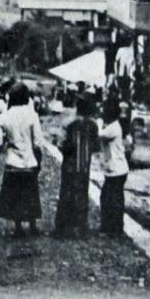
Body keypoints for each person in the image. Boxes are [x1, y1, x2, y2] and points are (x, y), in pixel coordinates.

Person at [0, 83, 44, 238]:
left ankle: (18, 228)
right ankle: (33, 225)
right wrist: (38, 159)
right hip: (29, 160)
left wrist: (8, 141)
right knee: (31, 194)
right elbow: (38, 142)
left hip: (13, 160)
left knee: (15, 195)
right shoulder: (32, 115)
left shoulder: (5, 116)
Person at [53, 94, 98, 239]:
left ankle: (63, 228)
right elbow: (96, 146)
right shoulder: (93, 125)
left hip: (70, 165)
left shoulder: (69, 124)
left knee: (66, 194)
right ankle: (81, 228)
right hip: (84, 166)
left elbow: (64, 145)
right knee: (82, 195)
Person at [97, 98, 129, 237]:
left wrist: (98, 122)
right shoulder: (113, 125)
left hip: (117, 170)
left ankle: (111, 229)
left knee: (110, 200)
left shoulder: (113, 127)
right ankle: (113, 228)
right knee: (112, 199)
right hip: (116, 169)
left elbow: (99, 134)